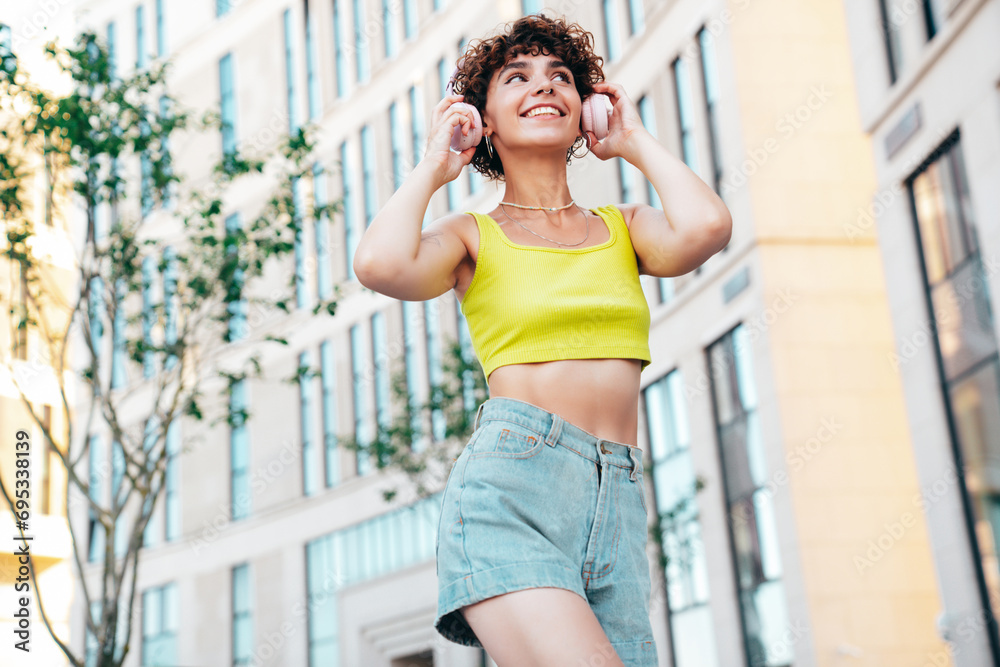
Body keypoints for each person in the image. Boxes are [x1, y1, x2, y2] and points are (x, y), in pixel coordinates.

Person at [353, 13, 731, 667]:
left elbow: (707, 226)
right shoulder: (472, 235)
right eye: (517, 77)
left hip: (615, 493)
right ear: (484, 119)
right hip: (511, 487)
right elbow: (381, 264)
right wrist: (433, 166)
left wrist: (634, 141)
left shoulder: (626, 227)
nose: (545, 86)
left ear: (584, 108)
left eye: (561, 76)